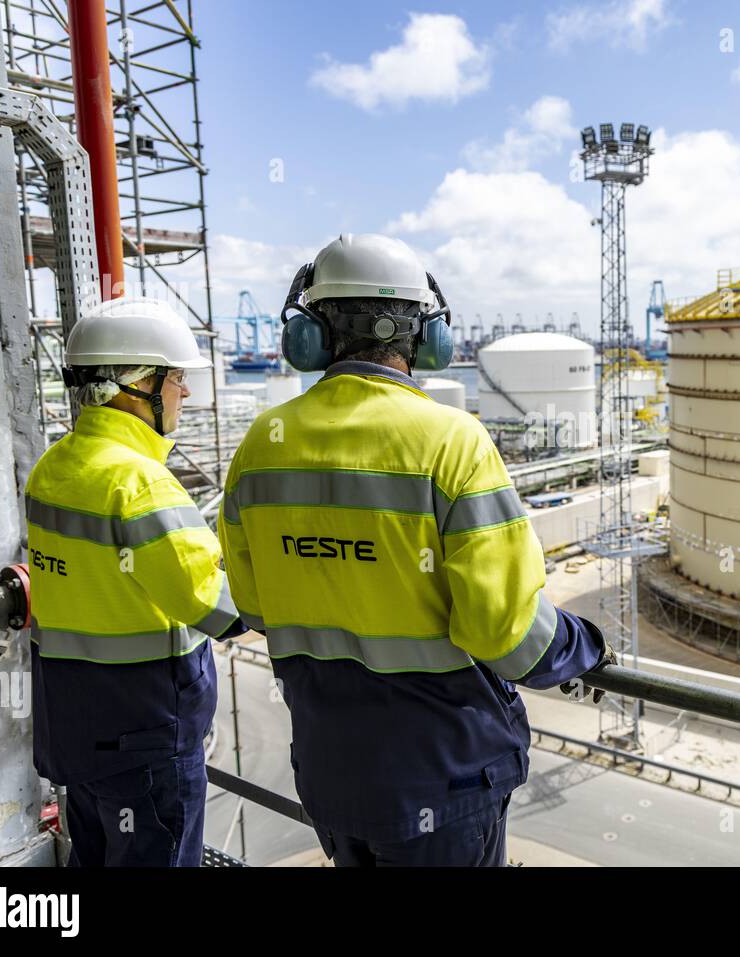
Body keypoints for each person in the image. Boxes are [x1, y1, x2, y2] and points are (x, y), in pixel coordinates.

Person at [218, 234, 612, 866]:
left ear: (311, 335)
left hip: (332, 770)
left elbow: (256, 607)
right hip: (444, 775)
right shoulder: (450, 441)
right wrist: (584, 646)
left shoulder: (264, 443)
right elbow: (508, 635)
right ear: (426, 337)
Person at [26, 296, 244, 866]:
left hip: (73, 724)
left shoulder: (54, 466)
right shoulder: (140, 483)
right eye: (176, 379)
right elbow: (213, 603)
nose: (186, 392)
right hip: (143, 733)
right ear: (136, 384)